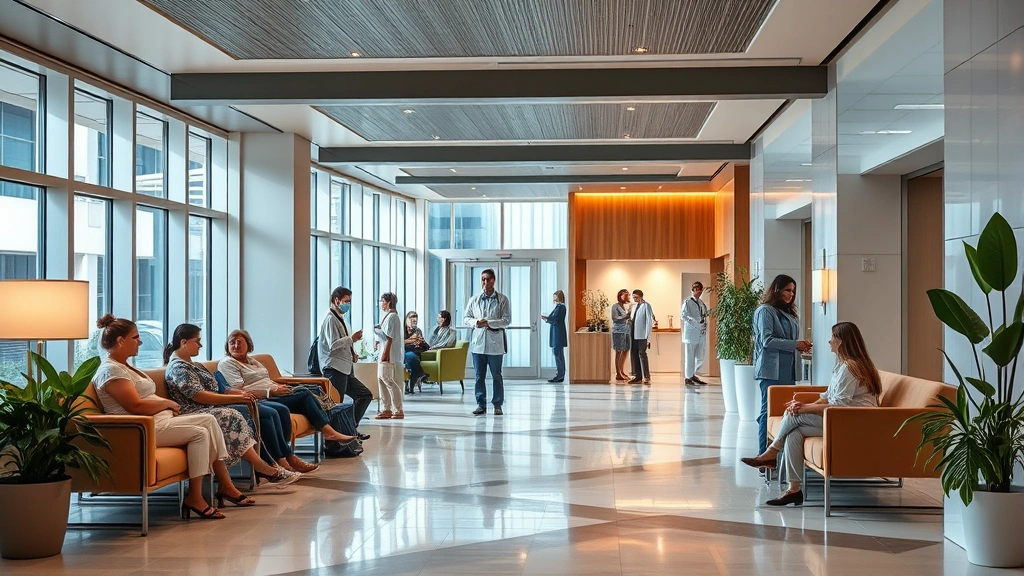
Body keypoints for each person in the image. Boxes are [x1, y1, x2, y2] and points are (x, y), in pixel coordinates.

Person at [91, 315, 251, 519]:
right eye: (135, 337)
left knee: (210, 421)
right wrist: (166, 403)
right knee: (200, 434)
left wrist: (165, 407)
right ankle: (196, 497)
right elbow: (136, 405)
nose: (139, 341)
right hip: (143, 428)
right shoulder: (110, 370)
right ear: (121, 341)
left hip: (160, 420)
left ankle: (224, 484)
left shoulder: (125, 367)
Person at [741, 322, 880, 506]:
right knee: (794, 432)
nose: (829, 341)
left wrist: (803, 408)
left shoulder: (851, 368)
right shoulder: (843, 366)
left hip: (853, 423)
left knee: (793, 415)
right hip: (840, 418)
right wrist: (803, 405)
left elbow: (839, 405)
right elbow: (826, 397)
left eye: (832, 337)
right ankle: (794, 489)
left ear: (841, 342)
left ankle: (772, 452)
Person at [163, 323, 300, 489]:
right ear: (184, 342)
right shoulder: (179, 368)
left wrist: (238, 395)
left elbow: (219, 387)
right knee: (239, 411)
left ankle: (270, 464)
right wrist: (231, 399)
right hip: (196, 411)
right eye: (197, 341)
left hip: (209, 407)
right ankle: (267, 466)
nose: (200, 345)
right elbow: (200, 396)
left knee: (250, 408)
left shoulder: (193, 364)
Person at [218, 329, 360, 457]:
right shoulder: (228, 363)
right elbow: (240, 390)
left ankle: (329, 430)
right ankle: (329, 432)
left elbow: (267, 379)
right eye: (232, 342)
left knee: (309, 391)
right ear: (227, 346)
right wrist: (270, 391)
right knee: (303, 394)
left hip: (273, 392)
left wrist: (278, 386)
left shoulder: (253, 361)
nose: (236, 346)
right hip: (263, 398)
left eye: (240, 342)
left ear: (248, 345)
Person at [753, 274, 813, 455]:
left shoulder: (787, 313)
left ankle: (779, 456)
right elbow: (767, 341)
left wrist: (800, 346)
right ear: (777, 290)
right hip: (771, 370)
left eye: (793, 291)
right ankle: (765, 456)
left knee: (784, 413)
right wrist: (795, 344)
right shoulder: (765, 311)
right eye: (787, 290)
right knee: (768, 412)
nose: (791, 294)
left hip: (787, 370)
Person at [318, 286, 374, 438]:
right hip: (334, 368)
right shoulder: (330, 319)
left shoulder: (340, 318)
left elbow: (342, 343)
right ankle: (338, 437)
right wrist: (352, 339)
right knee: (337, 404)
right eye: (345, 301)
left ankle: (349, 429)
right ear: (336, 301)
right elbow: (333, 345)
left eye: (349, 301)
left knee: (364, 395)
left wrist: (352, 352)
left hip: (345, 367)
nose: (347, 304)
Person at [463, 268, 511, 416]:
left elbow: (506, 320)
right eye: (483, 279)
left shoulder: (502, 299)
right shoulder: (474, 299)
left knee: (497, 375)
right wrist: (477, 322)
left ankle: (497, 404)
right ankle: (480, 404)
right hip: (478, 345)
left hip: (495, 344)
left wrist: (489, 323)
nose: (485, 282)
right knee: (479, 376)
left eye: (488, 279)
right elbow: (466, 319)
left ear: (494, 280)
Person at [373, 292, 404, 419]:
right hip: (384, 350)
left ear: (388, 302)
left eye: (382, 301)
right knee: (381, 379)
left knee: (387, 379)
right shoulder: (387, 316)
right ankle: (386, 408)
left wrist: (385, 354)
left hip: (388, 352)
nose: (381, 304)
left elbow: (389, 337)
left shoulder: (392, 317)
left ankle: (398, 408)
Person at [681, 281, 709, 389]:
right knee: (690, 356)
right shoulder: (687, 302)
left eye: (699, 290)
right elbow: (683, 315)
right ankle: (688, 377)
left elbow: (704, 315)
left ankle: (693, 374)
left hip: (701, 332)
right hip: (691, 332)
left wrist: (703, 324)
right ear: (692, 290)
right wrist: (695, 322)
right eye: (695, 289)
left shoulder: (701, 303)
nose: (697, 292)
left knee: (700, 356)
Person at [541, 290, 567, 383]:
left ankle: (560, 374)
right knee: (557, 353)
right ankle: (559, 373)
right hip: (556, 332)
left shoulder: (561, 307)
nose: (553, 298)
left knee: (558, 354)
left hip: (558, 334)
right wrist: (547, 318)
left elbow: (556, 319)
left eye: (555, 296)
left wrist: (546, 318)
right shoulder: (558, 307)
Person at [628, 289, 653, 385]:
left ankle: (646, 376)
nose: (634, 299)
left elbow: (649, 322)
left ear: (641, 297)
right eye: (633, 297)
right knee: (634, 354)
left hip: (642, 334)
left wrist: (648, 337)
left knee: (642, 354)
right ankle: (637, 376)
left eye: (636, 297)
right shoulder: (634, 306)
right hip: (634, 333)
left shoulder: (646, 306)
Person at [402, 311, 428, 394]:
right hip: (403, 351)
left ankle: (408, 383)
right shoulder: (402, 330)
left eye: (416, 317)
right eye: (412, 317)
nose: (414, 319)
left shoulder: (418, 330)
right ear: (406, 319)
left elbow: (421, 343)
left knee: (410, 356)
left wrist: (420, 342)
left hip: (415, 351)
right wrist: (411, 340)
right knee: (409, 356)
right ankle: (419, 374)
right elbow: (399, 342)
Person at [610, 289, 632, 381]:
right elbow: (615, 318)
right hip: (618, 332)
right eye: (625, 295)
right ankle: (618, 373)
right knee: (618, 351)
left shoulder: (625, 307)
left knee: (626, 350)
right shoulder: (615, 306)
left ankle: (621, 371)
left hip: (626, 331)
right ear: (620, 296)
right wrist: (626, 316)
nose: (627, 297)